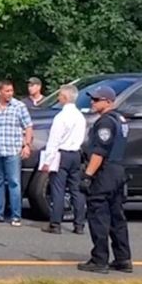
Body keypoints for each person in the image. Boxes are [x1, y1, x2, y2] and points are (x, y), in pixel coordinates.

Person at [78, 86, 133, 274]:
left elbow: (100, 152)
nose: (93, 102)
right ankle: (123, 258)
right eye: (92, 99)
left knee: (98, 215)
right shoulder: (120, 119)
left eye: (97, 100)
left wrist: (87, 176)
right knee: (117, 217)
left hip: (105, 172)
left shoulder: (105, 123)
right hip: (118, 170)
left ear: (108, 101)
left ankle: (99, 259)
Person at [0, 80, 34, 226]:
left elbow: (28, 126)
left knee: (14, 182)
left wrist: (27, 145)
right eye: (7, 91)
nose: (10, 93)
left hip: (12, 149)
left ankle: (16, 216)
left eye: (11, 91)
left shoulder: (19, 106)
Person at [40, 84, 87, 235]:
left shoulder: (61, 117)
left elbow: (54, 140)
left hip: (62, 154)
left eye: (60, 95)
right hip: (76, 154)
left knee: (58, 189)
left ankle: (55, 223)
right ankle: (79, 224)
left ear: (65, 98)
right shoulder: (80, 116)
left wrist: (48, 160)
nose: (58, 98)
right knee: (76, 189)